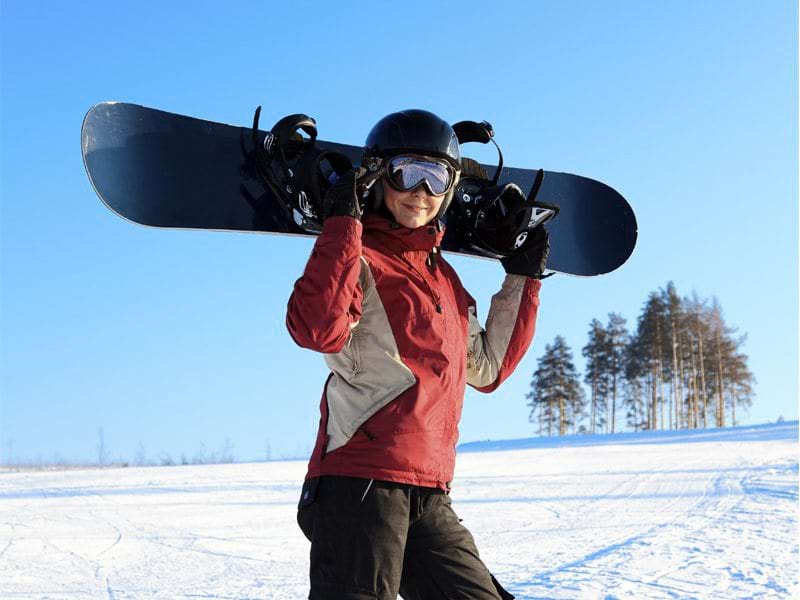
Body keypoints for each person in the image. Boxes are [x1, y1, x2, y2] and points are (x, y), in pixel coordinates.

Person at [286, 109, 548, 600]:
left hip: (429, 489)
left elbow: (487, 369)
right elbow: (317, 328)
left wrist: (522, 277)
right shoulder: (359, 256)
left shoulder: (445, 280)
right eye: (408, 173)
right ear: (381, 176)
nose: (420, 192)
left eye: (436, 178)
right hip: (359, 480)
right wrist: (344, 221)